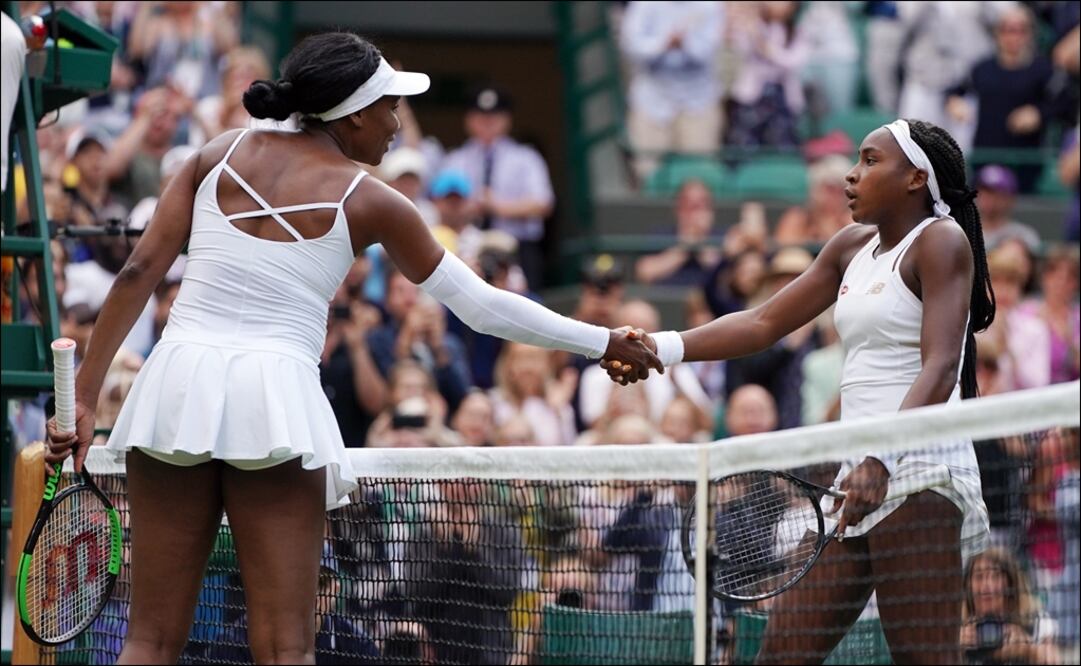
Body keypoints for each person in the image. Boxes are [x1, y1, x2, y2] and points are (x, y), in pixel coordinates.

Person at [45, 32, 659, 665]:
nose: (397, 124)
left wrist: (86, 397)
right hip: (273, 405)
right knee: (288, 649)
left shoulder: (215, 155)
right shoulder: (372, 200)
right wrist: (602, 339)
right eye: (390, 106)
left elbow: (138, 272)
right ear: (356, 113)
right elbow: (480, 306)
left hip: (174, 391)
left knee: (148, 642)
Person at [607, 118, 996, 664]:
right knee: (781, 652)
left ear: (915, 178)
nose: (851, 175)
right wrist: (661, 346)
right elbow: (763, 321)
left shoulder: (941, 241)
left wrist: (881, 460)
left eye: (870, 161)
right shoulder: (850, 246)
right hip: (860, 478)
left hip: (920, 474)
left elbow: (940, 367)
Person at [441, 85, 555, 290]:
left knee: (524, 311)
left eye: (494, 117)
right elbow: (440, 203)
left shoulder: (525, 158)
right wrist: (469, 208)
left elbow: (543, 203)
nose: (487, 123)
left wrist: (497, 206)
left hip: (517, 247)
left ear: (507, 120)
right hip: (469, 247)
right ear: (468, 120)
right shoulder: (455, 159)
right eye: (481, 117)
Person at [619, 0, 725, 181]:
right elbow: (631, 45)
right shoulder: (644, 5)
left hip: (698, 103)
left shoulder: (710, 5)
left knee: (700, 176)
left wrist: (685, 42)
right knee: (648, 174)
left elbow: (708, 49)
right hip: (652, 101)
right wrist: (664, 43)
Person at [960, 549, 1060, 665]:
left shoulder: (1036, 621)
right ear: (968, 585)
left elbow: (1052, 660)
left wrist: (1028, 650)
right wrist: (953, 646)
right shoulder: (956, 626)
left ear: (1010, 583)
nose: (986, 586)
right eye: (979, 577)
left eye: (996, 576)